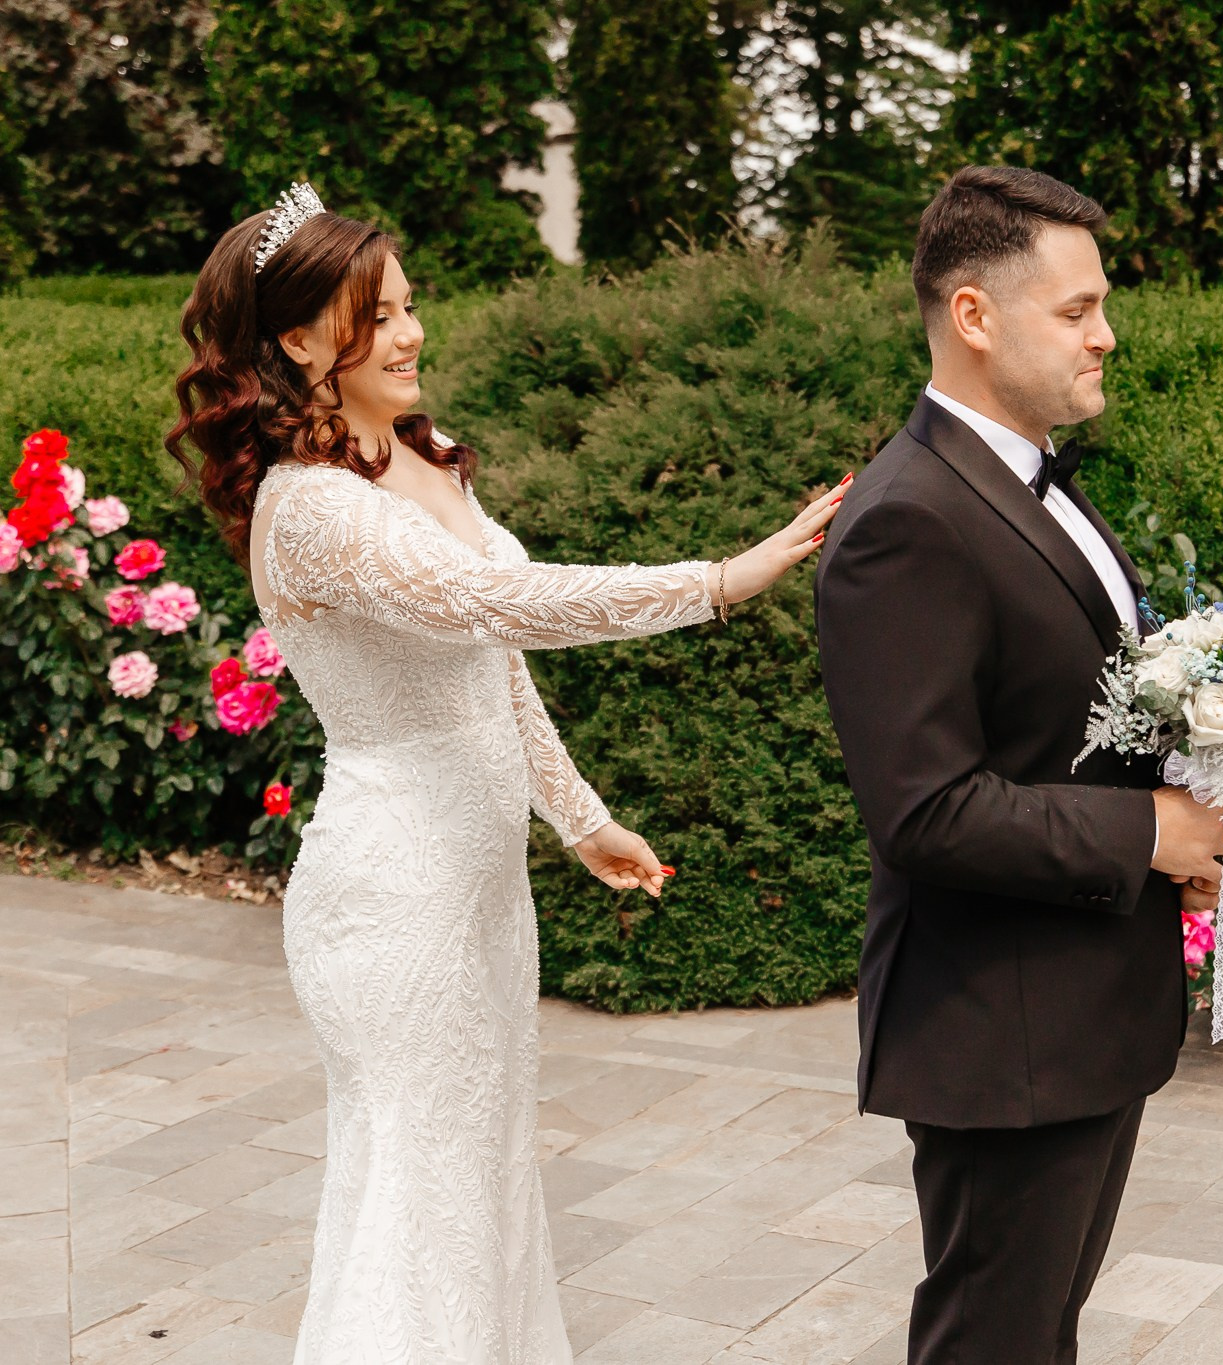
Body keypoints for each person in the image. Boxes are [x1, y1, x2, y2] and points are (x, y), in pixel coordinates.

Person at [165, 184, 844, 1365]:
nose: (414, 331)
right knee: (419, 1186)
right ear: (296, 339)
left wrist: (578, 818)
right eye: (379, 313)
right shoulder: (313, 507)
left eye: (411, 305)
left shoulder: (416, 460)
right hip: (393, 896)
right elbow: (506, 601)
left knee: (478, 1173)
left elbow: (488, 661)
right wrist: (720, 581)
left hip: (482, 888)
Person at [812, 166, 1223, 1365]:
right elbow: (925, 811)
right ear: (972, 316)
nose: (1106, 335)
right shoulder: (908, 519)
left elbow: (1059, 732)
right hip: (1000, 1035)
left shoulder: (1029, 484)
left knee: (1039, 1336)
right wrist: (1148, 834)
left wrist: (1194, 811)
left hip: (1080, 1010)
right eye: (1075, 309)